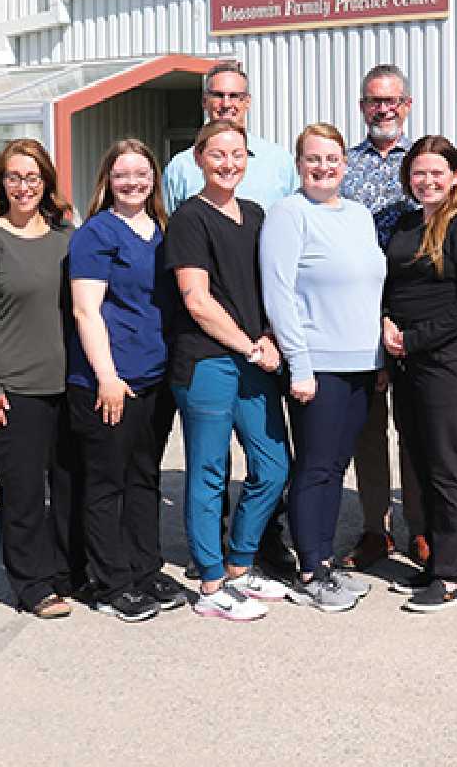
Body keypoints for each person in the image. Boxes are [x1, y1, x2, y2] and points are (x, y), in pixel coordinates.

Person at [160, 58, 298, 575]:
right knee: (210, 471)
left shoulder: (258, 213)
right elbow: (196, 300)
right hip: (209, 360)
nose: (228, 163)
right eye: (217, 155)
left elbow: (267, 282)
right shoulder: (189, 216)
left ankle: (242, 558)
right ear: (200, 158)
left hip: (256, 355)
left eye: (236, 155)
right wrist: (249, 344)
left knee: (272, 465)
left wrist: (268, 338)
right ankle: (212, 576)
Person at [259, 123, 385, 612]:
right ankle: (310, 570)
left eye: (332, 158)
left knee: (335, 467)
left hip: (360, 363)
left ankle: (325, 562)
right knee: (314, 468)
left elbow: (369, 288)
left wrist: (376, 358)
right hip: (319, 365)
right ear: (299, 164)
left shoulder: (358, 215)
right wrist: (300, 365)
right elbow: (279, 294)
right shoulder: (289, 214)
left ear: (345, 163)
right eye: (313, 159)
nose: (323, 167)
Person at [65, 140, 188, 623]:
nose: (133, 181)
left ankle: (144, 568)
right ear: (107, 180)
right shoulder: (96, 235)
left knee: (144, 478)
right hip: (110, 382)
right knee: (106, 483)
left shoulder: (160, 230)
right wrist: (107, 377)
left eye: (142, 172)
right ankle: (110, 580)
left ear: (154, 178)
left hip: (154, 378)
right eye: (122, 174)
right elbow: (85, 309)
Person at [0, 138, 77, 619]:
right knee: (24, 492)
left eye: (31, 177)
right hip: (10, 390)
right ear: (1, 184)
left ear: (45, 181)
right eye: (13, 177)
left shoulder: (66, 239)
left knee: (70, 487)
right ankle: (33, 586)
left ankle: (67, 573)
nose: (23, 186)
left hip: (67, 387)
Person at [383, 136, 457, 612]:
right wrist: (388, 320)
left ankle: (452, 575)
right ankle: (432, 559)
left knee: (447, 464)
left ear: (455, 176)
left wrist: (415, 338)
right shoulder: (409, 223)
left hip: (451, 361)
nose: (427, 181)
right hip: (407, 360)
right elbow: (390, 281)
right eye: (418, 172)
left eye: (436, 172)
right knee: (417, 458)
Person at [336, 63, 428, 571]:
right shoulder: (345, 165)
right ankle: (376, 529)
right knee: (368, 430)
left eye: (392, 100)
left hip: (416, 315)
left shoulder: (428, 161)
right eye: (374, 101)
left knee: (414, 428)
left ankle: (420, 527)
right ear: (362, 107)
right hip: (358, 317)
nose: (384, 109)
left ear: (407, 105)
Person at [161, 58, 297, 214]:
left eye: (234, 96)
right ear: (204, 101)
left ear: (247, 102)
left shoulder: (279, 162)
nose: (226, 104)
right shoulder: (180, 168)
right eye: (218, 95)